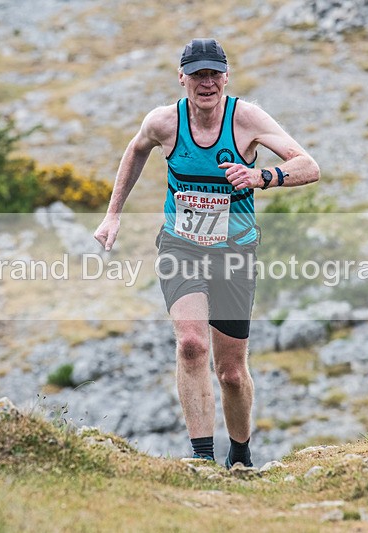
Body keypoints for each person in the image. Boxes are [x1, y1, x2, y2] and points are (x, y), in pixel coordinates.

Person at [94, 38, 319, 467]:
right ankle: (202, 460)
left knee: (231, 373)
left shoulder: (246, 119)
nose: (206, 82)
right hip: (181, 245)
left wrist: (261, 176)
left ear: (226, 77)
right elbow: (136, 149)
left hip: (235, 253)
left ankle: (240, 453)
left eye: (214, 74)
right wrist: (112, 214)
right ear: (182, 78)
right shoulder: (164, 122)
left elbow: (308, 165)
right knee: (192, 345)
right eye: (197, 74)